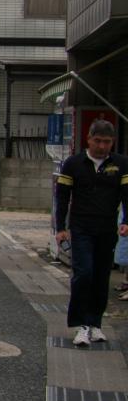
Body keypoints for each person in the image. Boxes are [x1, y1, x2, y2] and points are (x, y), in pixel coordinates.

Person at [55, 120, 128, 347]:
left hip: (107, 228)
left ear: (112, 142)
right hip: (81, 227)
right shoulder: (74, 164)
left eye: (107, 142)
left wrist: (126, 221)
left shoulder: (121, 164)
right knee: (83, 273)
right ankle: (81, 324)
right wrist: (61, 228)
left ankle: (95, 323)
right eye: (98, 141)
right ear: (88, 139)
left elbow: (127, 195)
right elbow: (63, 197)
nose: (102, 146)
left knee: (100, 276)